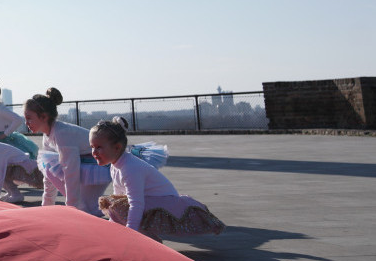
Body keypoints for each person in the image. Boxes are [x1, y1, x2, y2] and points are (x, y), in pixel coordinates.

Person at [91, 118, 225, 239]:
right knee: (115, 204)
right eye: (92, 147)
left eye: (99, 147)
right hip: (150, 201)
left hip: (165, 205)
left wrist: (130, 235)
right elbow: (118, 196)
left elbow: (136, 204)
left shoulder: (130, 168)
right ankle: (145, 238)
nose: (94, 153)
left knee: (120, 207)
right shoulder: (116, 165)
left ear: (117, 147)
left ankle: (149, 241)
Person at [24, 88, 109, 215]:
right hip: (89, 164)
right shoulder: (48, 135)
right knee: (48, 167)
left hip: (101, 165)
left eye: (29, 118)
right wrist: (46, 207)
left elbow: (71, 171)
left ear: (44, 117)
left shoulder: (61, 133)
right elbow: (49, 175)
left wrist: (71, 207)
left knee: (87, 209)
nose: (26, 123)